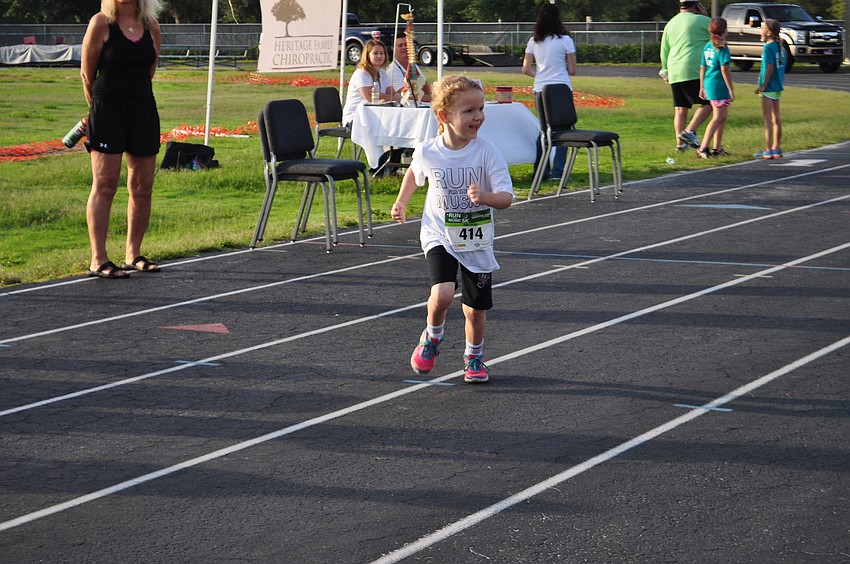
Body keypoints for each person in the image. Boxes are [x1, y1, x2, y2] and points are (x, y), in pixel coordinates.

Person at [390, 75, 514, 384]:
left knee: (474, 309)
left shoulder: (487, 152)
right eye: (469, 111)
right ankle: (432, 336)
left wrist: (486, 197)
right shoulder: (429, 151)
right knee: (442, 293)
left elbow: (507, 198)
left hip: (476, 240)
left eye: (480, 109)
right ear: (444, 117)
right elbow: (414, 174)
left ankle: (474, 356)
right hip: (440, 233)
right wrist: (402, 202)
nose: (478, 117)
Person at [80, 0, 162, 278]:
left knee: (142, 185)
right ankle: (98, 259)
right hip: (107, 109)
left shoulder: (151, 25)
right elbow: (86, 74)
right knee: (105, 184)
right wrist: (97, 111)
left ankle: (133, 254)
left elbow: (150, 69)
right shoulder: (101, 23)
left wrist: (133, 98)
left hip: (142, 108)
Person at [522, 2, 577, 181]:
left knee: (544, 130)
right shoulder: (565, 40)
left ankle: (540, 170)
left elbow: (525, 69)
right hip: (560, 87)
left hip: (541, 88)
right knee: (564, 129)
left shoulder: (534, 41)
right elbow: (572, 69)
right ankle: (558, 172)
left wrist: (539, 75)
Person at [660, 0, 712, 152]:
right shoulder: (703, 21)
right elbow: (717, 34)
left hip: (675, 69)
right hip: (693, 68)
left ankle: (680, 144)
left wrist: (665, 70)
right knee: (709, 104)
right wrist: (706, 15)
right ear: (697, 6)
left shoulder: (671, 23)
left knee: (680, 108)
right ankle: (689, 131)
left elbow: (665, 48)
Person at [696, 18, 734, 159]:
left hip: (710, 84)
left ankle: (717, 147)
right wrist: (731, 89)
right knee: (718, 117)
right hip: (718, 86)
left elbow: (702, 66)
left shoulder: (708, 45)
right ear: (724, 31)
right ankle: (703, 147)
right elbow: (725, 69)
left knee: (722, 117)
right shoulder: (721, 47)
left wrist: (702, 85)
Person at [341, 39, 395, 127]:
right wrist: (389, 97)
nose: (379, 56)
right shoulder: (361, 73)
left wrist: (383, 96)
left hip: (377, 116)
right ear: (367, 55)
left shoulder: (383, 73)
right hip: (356, 118)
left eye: (382, 53)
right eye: (375, 53)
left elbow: (393, 95)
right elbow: (371, 99)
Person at [753, 18, 786, 159]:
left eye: (762, 28)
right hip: (777, 86)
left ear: (769, 32)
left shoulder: (768, 47)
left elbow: (770, 67)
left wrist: (763, 85)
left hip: (769, 87)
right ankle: (776, 147)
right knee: (776, 118)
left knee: (767, 119)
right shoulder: (779, 46)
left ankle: (767, 149)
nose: (760, 30)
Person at [390, 34, 431, 105]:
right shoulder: (392, 70)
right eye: (400, 45)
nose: (404, 47)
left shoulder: (415, 67)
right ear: (393, 48)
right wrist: (429, 98)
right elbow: (406, 95)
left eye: (406, 44)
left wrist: (427, 97)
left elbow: (425, 89)